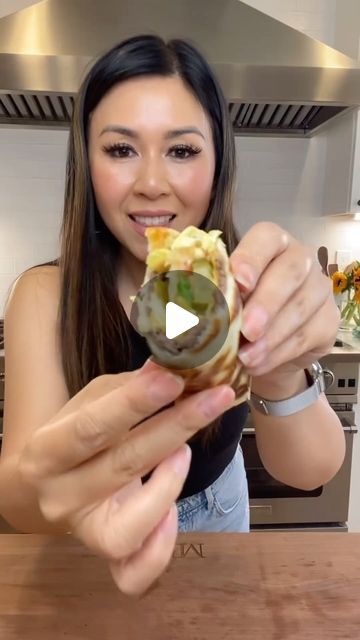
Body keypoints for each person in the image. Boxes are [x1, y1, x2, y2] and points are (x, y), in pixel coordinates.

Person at [0, 35, 345, 595]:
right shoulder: (44, 296)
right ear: (86, 163)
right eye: (120, 150)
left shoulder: (246, 286)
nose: (153, 183)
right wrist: (58, 488)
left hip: (223, 514)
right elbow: (20, 497)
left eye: (182, 151)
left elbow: (311, 470)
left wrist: (281, 366)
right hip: (89, 534)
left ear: (219, 160)